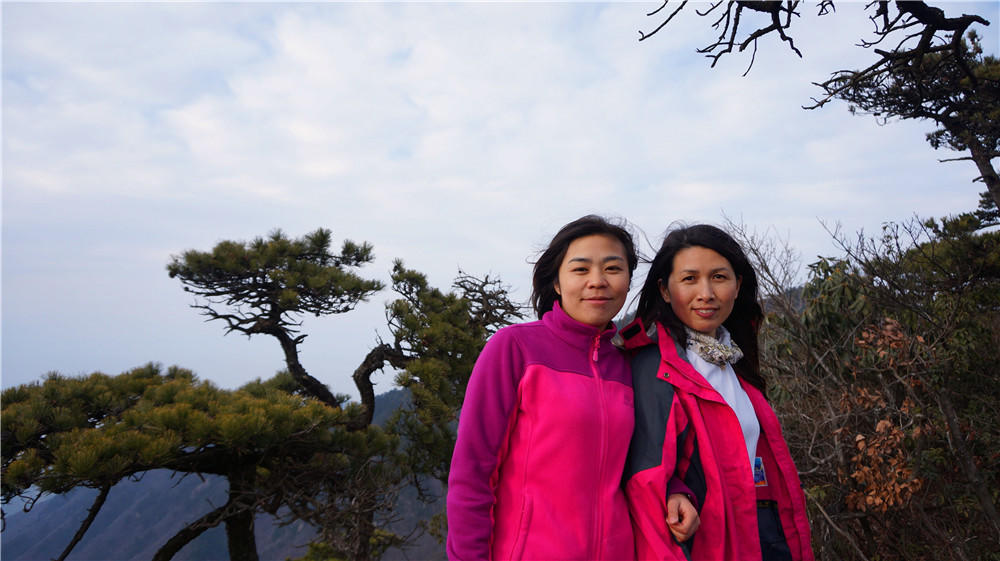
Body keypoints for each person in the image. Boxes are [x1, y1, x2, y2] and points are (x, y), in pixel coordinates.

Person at [447, 215, 697, 561]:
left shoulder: (631, 363)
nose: (597, 281)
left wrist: (676, 492)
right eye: (581, 269)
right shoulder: (516, 348)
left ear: (628, 281)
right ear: (557, 282)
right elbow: (472, 473)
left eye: (613, 269)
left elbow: (646, 457)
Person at [621, 224, 813, 561]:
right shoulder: (655, 368)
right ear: (665, 290)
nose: (706, 293)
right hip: (705, 543)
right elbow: (647, 486)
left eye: (719, 277)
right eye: (690, 279)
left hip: (761, 532)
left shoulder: (734, 360)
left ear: (738, 285)